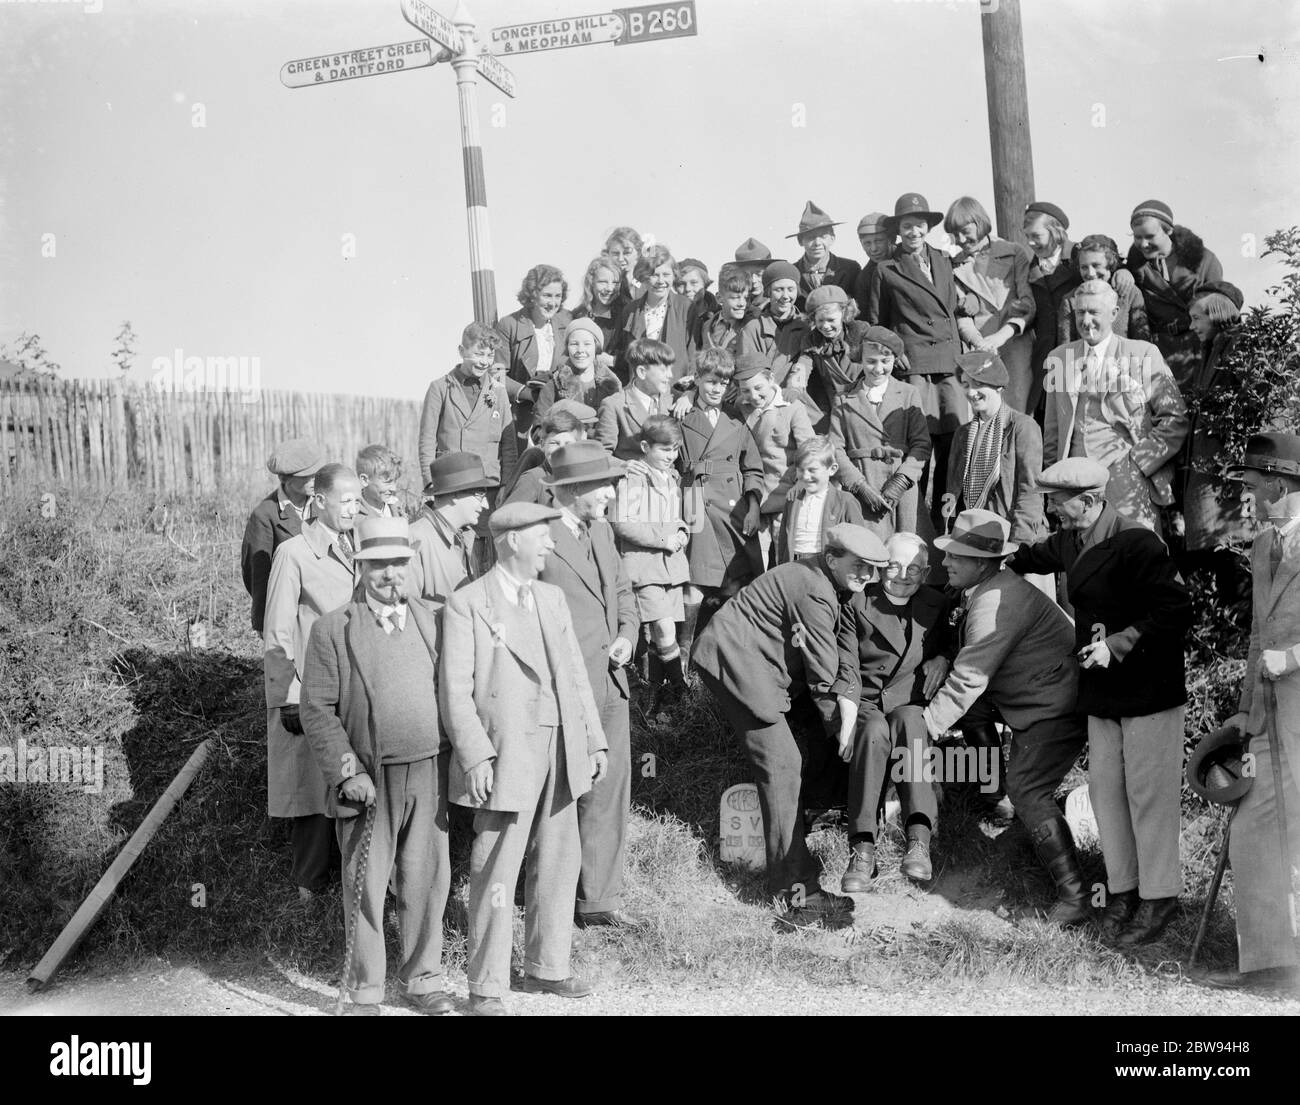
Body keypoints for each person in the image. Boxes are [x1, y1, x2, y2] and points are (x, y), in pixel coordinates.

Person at [1009, 459, 1193, 947]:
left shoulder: (1137, 541)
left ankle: (1159, 897)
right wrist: (989, 556)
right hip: (1102, 694)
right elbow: (1033, 556)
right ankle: (1123, 891)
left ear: (1089, 501)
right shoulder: (1071, 539)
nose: (1052, 510)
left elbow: (1176, 609)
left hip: (1148, 690)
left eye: (1058, 502)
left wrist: (1116, 645)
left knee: (1148, 798)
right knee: (1107, 794)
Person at [439, 501, 609, 1016]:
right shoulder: (468, 603)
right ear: (513, 540)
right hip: (506, 753)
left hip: (561, 748)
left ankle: (547, 967)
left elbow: (575, 676)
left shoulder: (552, 598)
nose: (552, 544)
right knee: (496, 868)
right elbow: (455, 692)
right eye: (543, 535)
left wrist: (594, 739)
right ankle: (486, 986)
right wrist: (475, 754)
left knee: (559, 859)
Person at [299, 516, 453, 1016]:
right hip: (370, 778)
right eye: (379, 565)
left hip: (427, 769)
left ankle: (424, 979)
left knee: (426, 878)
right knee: (364, 882)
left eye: (398, 563)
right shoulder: (332, 630)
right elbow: (316, 709)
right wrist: (349, 771)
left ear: (411, 565)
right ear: (362, 568)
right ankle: (366, 990)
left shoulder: (434, 620)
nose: (391, 574)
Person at [693, 524, 885, 915]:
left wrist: (847, 711)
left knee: (787, 763)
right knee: (783, 766)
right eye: (859, 565)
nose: (867, 575)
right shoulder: (813, 588)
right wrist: (844, 734)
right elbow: (822, 673)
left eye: (873, 568)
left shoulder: (830, 582)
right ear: (832, 558)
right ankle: (795, 891)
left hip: (754, 665)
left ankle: (793, 872)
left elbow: (843, 652)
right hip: (737, 666)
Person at [922, 509, 1090, 924]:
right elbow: (965, 654)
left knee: (1028, 790)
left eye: (956, 556)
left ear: (983, 562)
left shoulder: (997, 601)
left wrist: (921, 732)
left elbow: (969, 680)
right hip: (1028, 698)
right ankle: (992, 794)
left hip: (1055, 708)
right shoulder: (982, 589)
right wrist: (944, 656)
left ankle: (1076, 896)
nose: (945, 562)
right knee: (1008, 767)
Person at [537, 442, 645, 929]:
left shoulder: (600, 529)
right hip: (561, 688)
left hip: (610, 683)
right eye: (603, 485)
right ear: (575, 489)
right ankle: (547, 899)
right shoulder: (536, 535)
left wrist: (626, 636)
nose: (611, 493)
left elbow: (623, 592)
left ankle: (599, 901)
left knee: (608, 791)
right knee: (559, 793)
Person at [1207, 433, 1300, 992]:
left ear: (1282, 484)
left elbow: (1278, 647)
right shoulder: (1266, 543)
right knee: (1253, 830)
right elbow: (1256, 637)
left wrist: (1291, 657)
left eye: (1256, 484)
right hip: (1267, 718)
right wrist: (1243, 709)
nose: (1249, 495)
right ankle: (1270, 964)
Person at [262, 463, 360, 898]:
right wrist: (287, 696)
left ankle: (354, 888)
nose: (354, 510)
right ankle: (308, 901)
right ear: (319, 501)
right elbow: (279, 633)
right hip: (312, 689)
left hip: (354, 690)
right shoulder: (294, 554)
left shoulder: (358, 546)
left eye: (358, 501)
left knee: (348, 785)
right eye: (345, 501)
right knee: (311, 796)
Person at [838, 532, 953, 888]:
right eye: (893, 566)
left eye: (914, 569)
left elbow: (955, 642)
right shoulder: (857, 604)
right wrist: (846, 720)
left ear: (927, 571)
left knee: (910, 723)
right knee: (871, 733)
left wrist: (944, 658)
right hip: (867, 701)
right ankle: (862, 849)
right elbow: (847, 667)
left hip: (910, 700)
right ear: (879, 567)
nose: (903, 576)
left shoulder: (938, 604)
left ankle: (919, 840)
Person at [1042, 279, 1189, 533]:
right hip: (1076, 485)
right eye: (1080, 312)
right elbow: (1053, 429)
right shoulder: (1059, 357)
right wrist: (1054, 482)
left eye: (1094, 312)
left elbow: (1174, 418)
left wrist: (1140, 461)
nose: (1086, 321)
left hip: (1129, 481)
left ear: (1114, 314)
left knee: (1134, 555)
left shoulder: (1143, 353)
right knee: (1083, 561)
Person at [867, 193, 967, 525]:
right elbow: (877, 324)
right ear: (899, 230)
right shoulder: (886, 269)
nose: (914, 232)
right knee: (917, 449)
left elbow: (951, 310)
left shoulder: (942, 259)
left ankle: (946, 525)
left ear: (928, 228)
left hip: (948, 368)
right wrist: (896, 353)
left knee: (952, 451)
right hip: (915, 369)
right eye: (907, 226)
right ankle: (914, 525)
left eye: (919, 225)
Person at [677, 348, 765, 631]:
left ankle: (730, 650)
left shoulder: (736, 417)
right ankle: (683, 657)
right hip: (696, 504)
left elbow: (752, 467)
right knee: (695, 582)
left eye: (723, 383)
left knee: (738, 581)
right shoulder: (680, 413)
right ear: (698, 379)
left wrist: (753, 506)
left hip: (733, 509)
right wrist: (685, 396)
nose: (717, 388)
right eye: (711, 381)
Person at [612, 414, 691, 701]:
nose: (671, 456)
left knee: (663, 635)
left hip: (671, 566)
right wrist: (663, 540)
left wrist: (682, 532)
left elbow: (678, 516)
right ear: (645, 446)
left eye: (675, 450)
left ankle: (660, 697)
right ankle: (681, 689)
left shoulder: (672, 476)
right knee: (663, 627)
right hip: (644, 565)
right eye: (664, 450)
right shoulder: (634, 478)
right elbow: (622, 522)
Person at [828, 324, 931, 539]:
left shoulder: (909, 393)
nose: (878, 369)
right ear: (860, 359)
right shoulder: (844, 398)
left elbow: (921, 445)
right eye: (871, 361)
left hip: (900, 489)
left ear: (895, 360)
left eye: (886, 361)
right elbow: (835, 448)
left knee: (903, 553)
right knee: (865, 552)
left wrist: (902, 480)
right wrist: (858, 485)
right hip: (862, 484)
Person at [1181, 282, 1251, 583]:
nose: (1191, 325)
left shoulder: (1238, 345)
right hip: (1211, 474)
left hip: (1225, 476)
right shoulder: (1210, 350)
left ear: (1217, 313)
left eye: (1197, 318)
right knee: (1215, 559)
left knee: (1229, 558)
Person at [946, 195, 1037, 415]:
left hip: (1014, 344)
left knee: (1017, 412)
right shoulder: (954, 265)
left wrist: (1000, 337)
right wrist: (980, 342)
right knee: (984, 413)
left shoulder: (1014, 252)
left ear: (980, 223)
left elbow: (1027, 303)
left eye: (965, 231)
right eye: (954, 234)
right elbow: (962, 317)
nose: (960, 239)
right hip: (980, 349)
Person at [946, 351, 1045, 547]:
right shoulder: (962, 434)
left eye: (978, 384)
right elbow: (952, 491)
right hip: (972, 535)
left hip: (1012, 535)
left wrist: (1019, 546)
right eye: (966, 385)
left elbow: (1031, 491)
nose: (971, 392)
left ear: (998, 386)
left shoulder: (1022, 426)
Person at [1126, 199, 1224, 393]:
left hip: (1196, 351)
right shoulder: (1134, 267)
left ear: (1169, 231)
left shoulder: (1204, 261)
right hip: (1159, 353)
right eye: (1137, 237)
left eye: (1150, 236)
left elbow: (1220, 312)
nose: (1143, 244)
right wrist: (1122, 272)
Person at [733, 353, 815, 567]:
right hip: (753, 498)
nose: (753, 396)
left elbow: (810, 450)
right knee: (755, 564)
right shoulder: (739, 407)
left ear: (771, 379)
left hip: (786, 497)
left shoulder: (792, 407)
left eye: (758, 388)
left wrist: (800, 483)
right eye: (745, 390)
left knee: (784, 561)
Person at [417, 322, 517, 490]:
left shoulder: (498, 391)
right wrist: (429, 481)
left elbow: (509, 446)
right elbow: (426, 439)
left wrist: (506, 486)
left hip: (488, 484)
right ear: (462, 351)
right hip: (451, 481)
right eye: (478, 354)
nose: (484, 362)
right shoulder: (440, 388)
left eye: (490, 355)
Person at [241, 438, 324, 634]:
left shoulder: (322, 502)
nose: (315, 481)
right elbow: (257, 575)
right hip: (289, 612)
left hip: (322, 607)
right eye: (307, 476)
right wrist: (264, 624)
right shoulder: (265, 515)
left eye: (316, 474)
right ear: (284, 479)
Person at [407, 452, 494, 604]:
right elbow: (407, 613)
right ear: (455, 494)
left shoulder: (466, 536)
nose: (486, 505)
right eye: (480, 495)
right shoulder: (414, 539)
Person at [1023, 201, 1083, 419]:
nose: (1030, 242)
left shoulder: (1079, 256)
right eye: (1027, 236)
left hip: (1078, 353)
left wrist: (1124, 272)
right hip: (1046, 359)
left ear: (1055, 230)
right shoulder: (1027, 268)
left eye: (1036, 236)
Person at [610, 245, 694, 383]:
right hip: (640, 389)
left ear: (674, 276)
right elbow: (624, 356)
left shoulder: (686, 308)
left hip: (675, 390)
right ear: (644, 277)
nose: (661, 281)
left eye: (666, 275)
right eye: (654, 275)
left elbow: (693, 354)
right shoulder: (630, 310)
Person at [775, 436, 865, 564]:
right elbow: (784, 541)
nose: (806, 476)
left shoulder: (845, 501)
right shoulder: (793, 500)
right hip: (795, 565)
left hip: (826, 566)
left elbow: (859, 542)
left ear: (832, 469)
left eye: (812, 470)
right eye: (801, 470)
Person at [1057, 234, 1150, 346]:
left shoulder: (1129, 294)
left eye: (1096, 265)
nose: (1090, 273)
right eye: (1084, 267)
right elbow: (1065, 347)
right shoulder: (1071, 300)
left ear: (1111, 264)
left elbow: (1142, 343)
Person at [595, 337, 674, 460]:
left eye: (670, 369)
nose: (670, 375)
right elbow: (602, 455)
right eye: (663, 370)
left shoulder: (672, 399)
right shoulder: (614, 405)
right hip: (630, 476)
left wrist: (688, 396)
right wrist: (625, 466)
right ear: (642, 372)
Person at [499, 403, 592, 507]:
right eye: (554, 443)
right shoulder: (533, 476)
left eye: (568, 444)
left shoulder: (585, 473)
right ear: (543, 444)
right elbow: (508, 515)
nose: (561, 450)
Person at [534, 316, 621, 421]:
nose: (580, 350)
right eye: (574, 344)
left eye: (587, 344)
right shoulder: (553, 386)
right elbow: (539, 429)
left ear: (596, 347)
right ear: (567, 348)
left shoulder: (613, 387)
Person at [737, 260, 810, 384]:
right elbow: (749, 374)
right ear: (768, 292)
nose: (786, 296)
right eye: (779, 290)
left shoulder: (806, 327)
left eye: (791, 289)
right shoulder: (753, 329)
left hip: (796, 395)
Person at [786, 201, 861, 315]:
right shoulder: (791, 273)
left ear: (832, 239)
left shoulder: (850, 269)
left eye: (823, 236)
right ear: (801, 241)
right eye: (810, 238)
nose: (817, 243)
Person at [572, 256, 628, 355]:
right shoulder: (577, 315)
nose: (610, 288)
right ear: (591, 282)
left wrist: (613, 361)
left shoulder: (626, 316)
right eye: (603, 282)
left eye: (615, 283)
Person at [851, 212, 892, 318]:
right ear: (861, 243)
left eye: (878, 241)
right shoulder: (864, 279)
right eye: (867, 243)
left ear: (890, 239)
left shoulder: (907, 260)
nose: (873, 249)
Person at [354, 443, 404, 519]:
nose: (394, 489)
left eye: (395, 481)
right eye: (388, 482)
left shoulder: (395, 507)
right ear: (364, 480)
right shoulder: (355, 513)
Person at [604, 226, 644, 299]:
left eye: (627, 253)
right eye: (615, 253)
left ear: (638, 253)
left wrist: (631, 281)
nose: (620, 259)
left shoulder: (644, 282)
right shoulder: (602, 282)